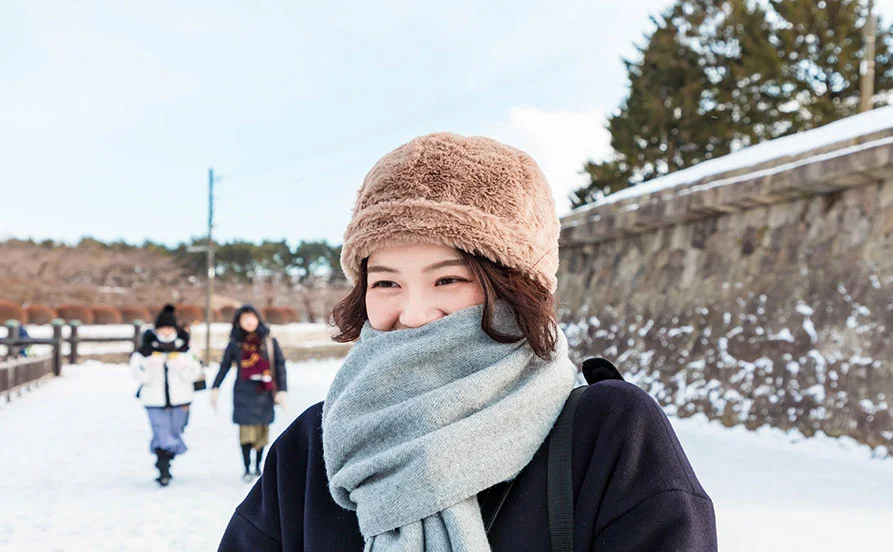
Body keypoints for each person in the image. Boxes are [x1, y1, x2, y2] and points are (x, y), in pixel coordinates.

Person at [218, 133, 717, 550]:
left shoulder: (609, 434)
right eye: (386, 282)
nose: (414, 314)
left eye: (448, 280)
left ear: (518, 287)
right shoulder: (313, 448)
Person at [210, 305, 288, 481]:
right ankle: (246, 468)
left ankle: (257, 467)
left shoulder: (268, 341)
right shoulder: (235, 343)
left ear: (258, 319)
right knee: (245, 434)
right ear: (238, 322)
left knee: (261, 433)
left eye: (252, 317)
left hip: (264, 393)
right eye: (244, 319)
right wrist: (215, 387)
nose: (249, 322)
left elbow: (279, 366)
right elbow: (224, 366)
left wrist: (282, 390)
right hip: (243, 394)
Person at [129, 304, 203, 486]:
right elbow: (137, 373)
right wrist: (151, 367)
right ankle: (163, 469)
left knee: (175, 433)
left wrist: (181, 367)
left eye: (169, 328)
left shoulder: (185, 349)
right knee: (161, 432)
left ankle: (164, 460)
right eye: (162, 328)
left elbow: (196, 372)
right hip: (154, 400)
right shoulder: (145, 351)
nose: (166, 332)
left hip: (181, 399)